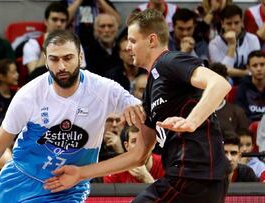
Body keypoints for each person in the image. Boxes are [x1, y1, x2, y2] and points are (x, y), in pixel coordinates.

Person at [43, 9, 232, 203]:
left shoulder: (169, 61)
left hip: (192, 175)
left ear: (151, 40)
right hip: (200, 178)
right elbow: (138, 155)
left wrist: (192, 121)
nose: (127, 47)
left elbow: (219, 84)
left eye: (133, 41)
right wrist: (81, 173)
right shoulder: (151, 89)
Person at [0, 30, 142, 202]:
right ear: (46, 60)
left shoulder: (104, 89)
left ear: (80, 57)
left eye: (68, 58)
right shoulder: (29, 94)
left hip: (67, 187)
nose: (61, 66)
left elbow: (140, 108)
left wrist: (136, 107)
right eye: (54, 59)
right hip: (19, 180)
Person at [209, 4, 260, 80]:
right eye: (229, 23)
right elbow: (222, 73)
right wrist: (232, 45)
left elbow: (257, 67)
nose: (233, 27)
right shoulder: (214, 44)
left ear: (242, 22)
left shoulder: (252, 39)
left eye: (236, 23)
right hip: (227, 82)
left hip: (249, 81)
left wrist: (235, 72)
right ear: (222, 24)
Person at [22, 2, 68, 74]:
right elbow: (34, 76)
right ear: (46, 21)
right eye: (54, 19)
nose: (59, 24)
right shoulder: (32, 44)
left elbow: (80, 75)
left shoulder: (74, 44)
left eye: (62, 21)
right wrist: (47, 46)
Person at [209, 63, 249, 136]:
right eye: (213, 82)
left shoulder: (237, 112)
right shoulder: (195, 111)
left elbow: (245, 141)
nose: (216, 86)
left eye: (220, 82)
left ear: (227, 82)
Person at [235, 50, 265, 122]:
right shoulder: (242, 89)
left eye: (262, 65)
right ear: (248, 68)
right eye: (255, 65)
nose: (259, 69)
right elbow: (241, 116)